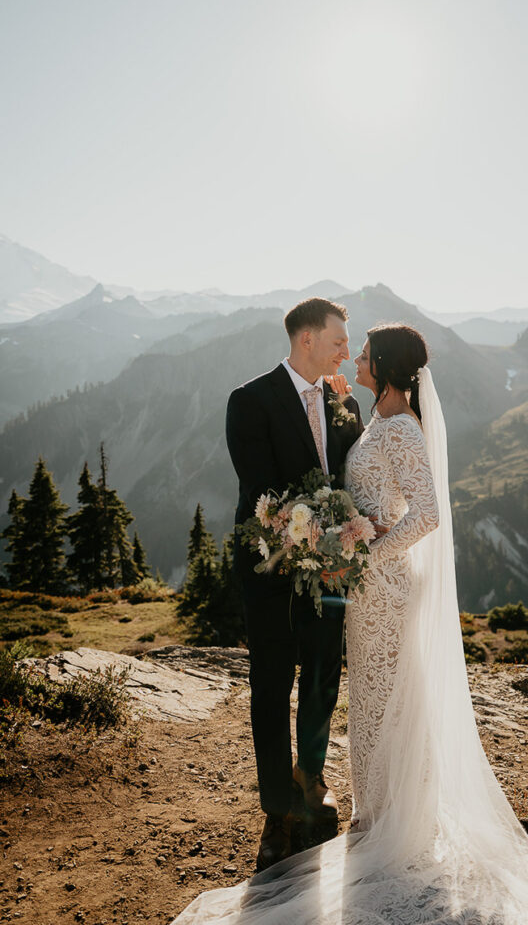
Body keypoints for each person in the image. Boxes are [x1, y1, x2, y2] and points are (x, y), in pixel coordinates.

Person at [171, 323, 528, 925]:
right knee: (375, 703)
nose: (356, 357)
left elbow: (425, 515)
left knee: (388, 702)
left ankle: (395, 825)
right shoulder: (372, 417)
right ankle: (376, 817)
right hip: (366, 589)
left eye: (367, 352)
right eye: (351, 344)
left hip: (387, 587)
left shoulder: (400, 428)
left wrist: (364, 556)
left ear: (390, 367)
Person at [224, 297, 363, 872]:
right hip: (272, 569)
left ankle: (312, 776)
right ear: (306, 339)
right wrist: (313, 543)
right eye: (337, 342)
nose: (345, 354)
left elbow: (346, 477)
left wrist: (344, 544)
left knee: (324, 674)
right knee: (271, 685)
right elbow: (261, 493)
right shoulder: (250, 400)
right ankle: (277, 813)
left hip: (332, 571)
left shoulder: (344, 402)